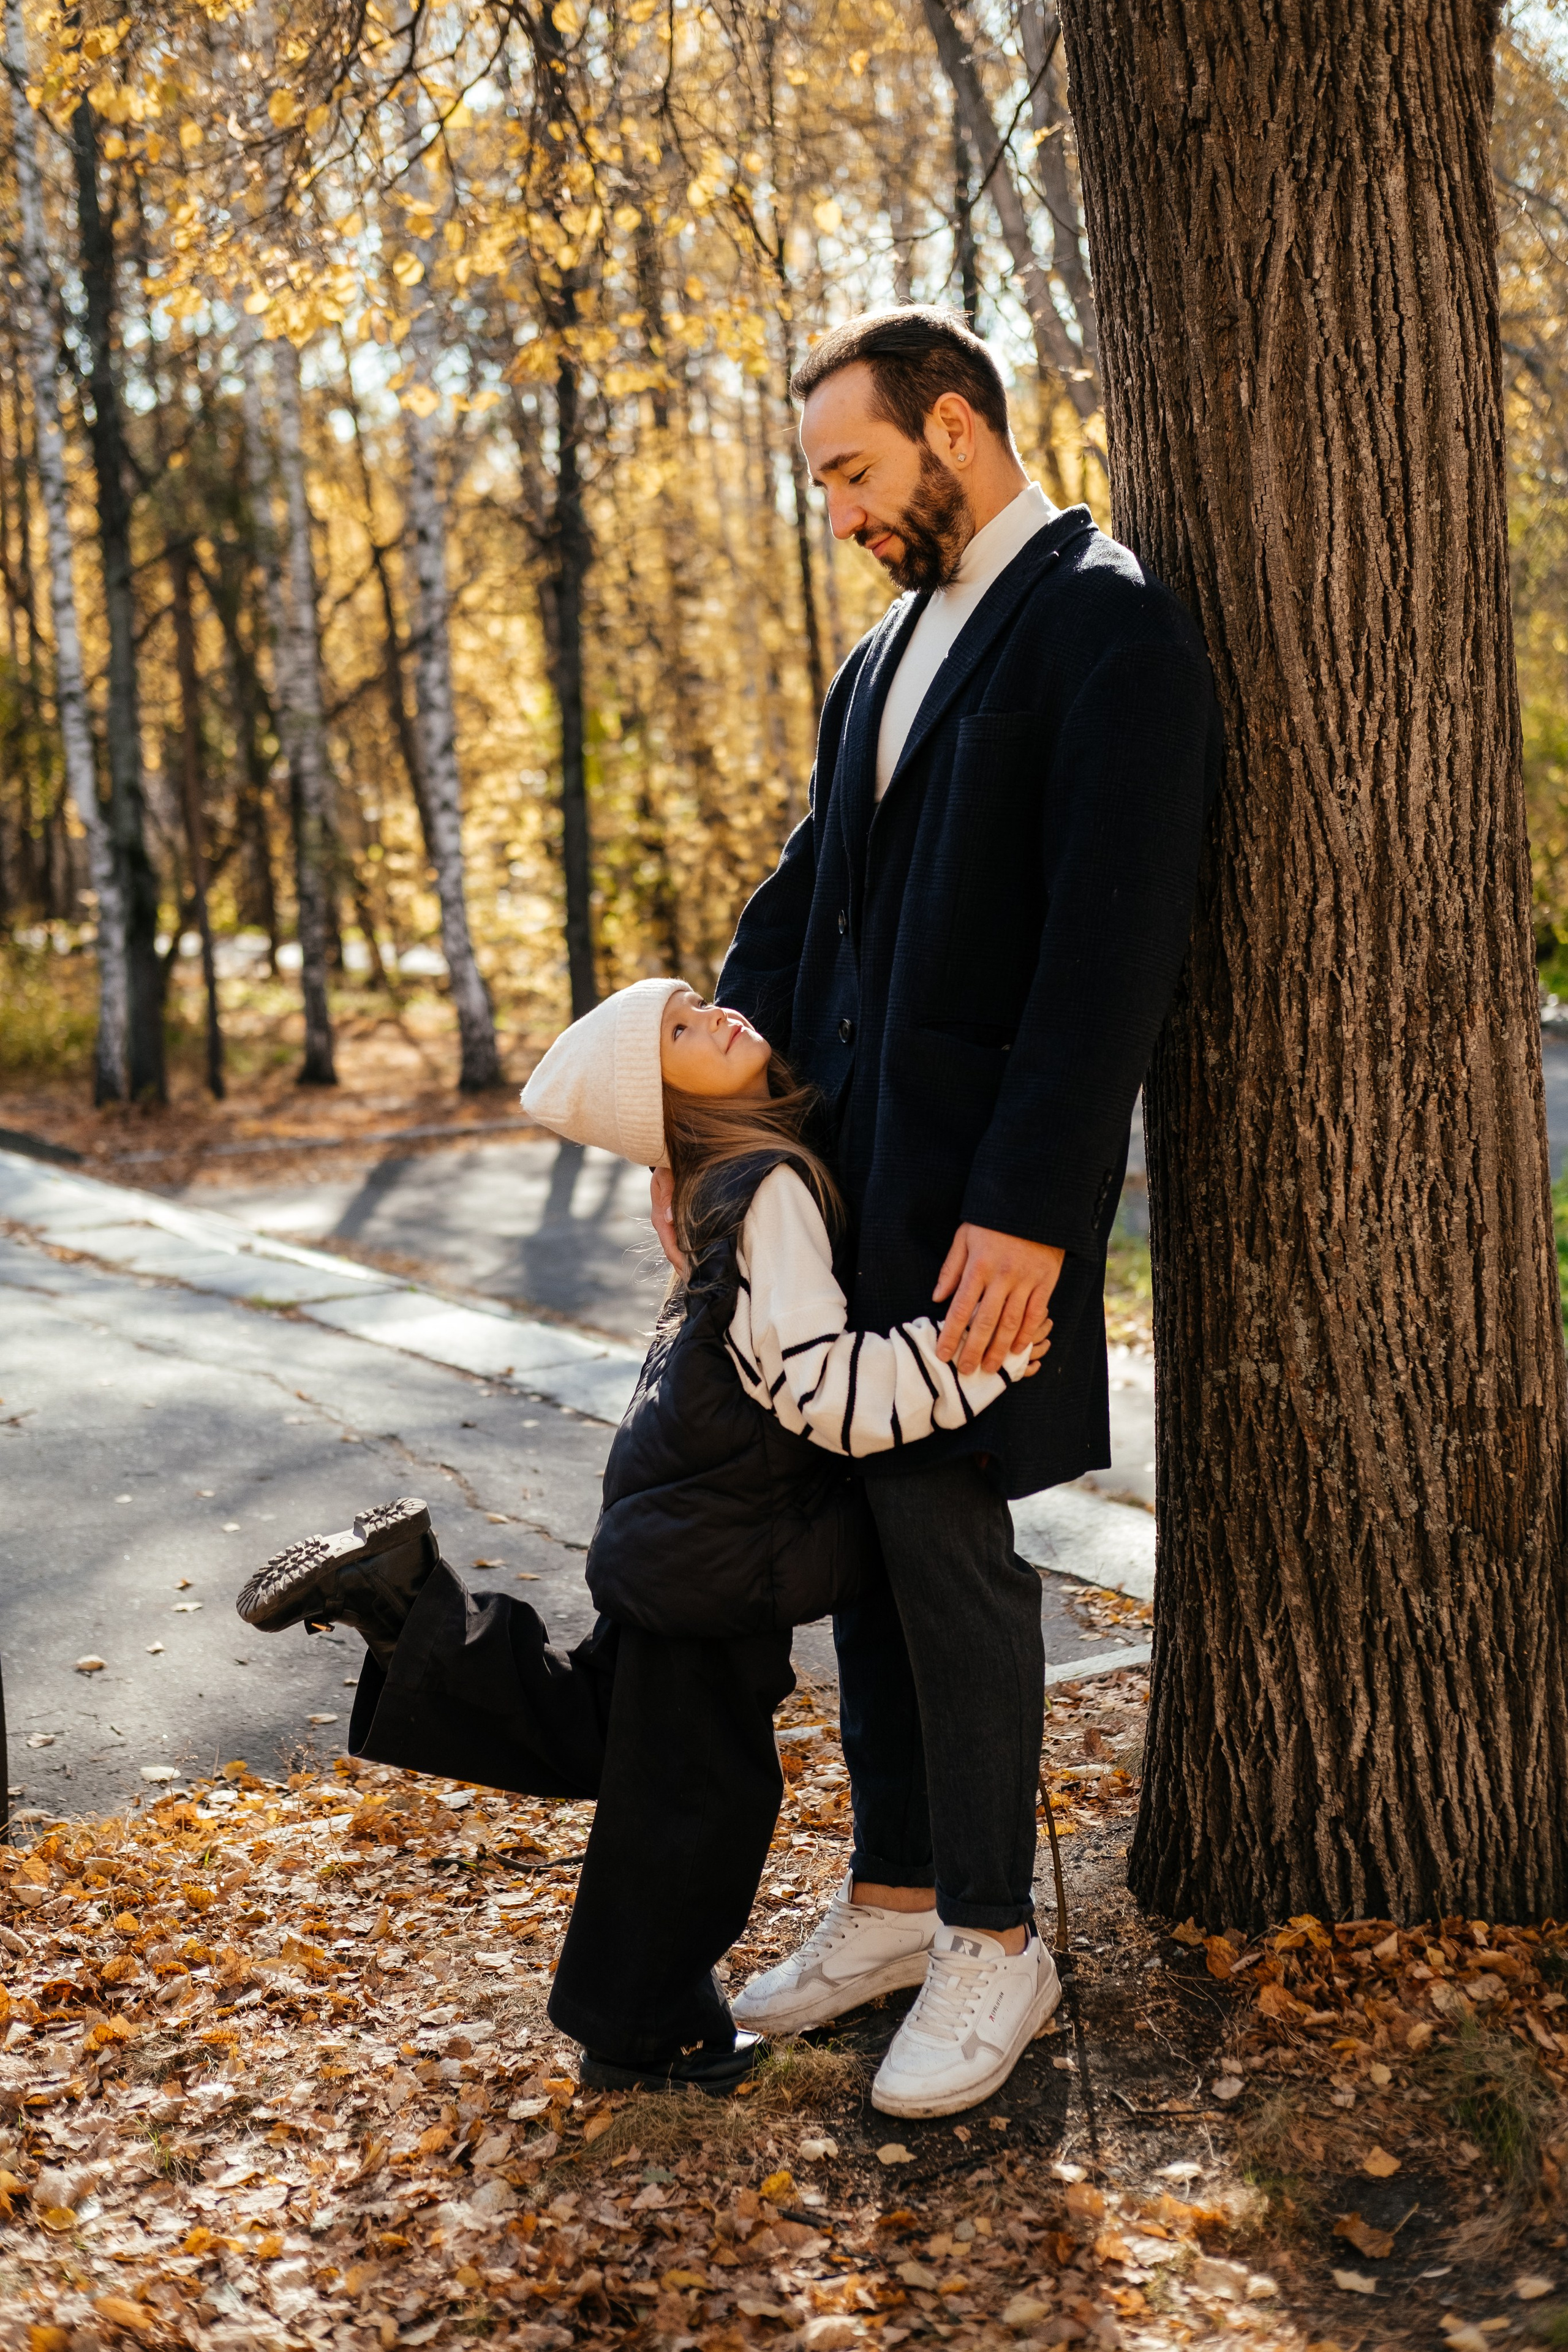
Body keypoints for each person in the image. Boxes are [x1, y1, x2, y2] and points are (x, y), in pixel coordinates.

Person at [711, 307, 1220, 2115]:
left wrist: (1035, 1218)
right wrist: (711, 1064)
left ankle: (1001, 1940)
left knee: (949, 1556)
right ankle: (902, 1903)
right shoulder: (880, 657)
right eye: (825, 482)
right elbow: (802, 908)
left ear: (953, 427)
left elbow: (1111, 954)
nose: (840, 509)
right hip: (852, 1203)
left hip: (980, 1228)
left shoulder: (1106, 625)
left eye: (854, 469)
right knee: (866, 1557)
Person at [235, 976, 1049, 2101]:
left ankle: (405, 1605)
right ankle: (647, 2034)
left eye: (697, 1001)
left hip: (683, 1532)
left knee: (605, 1737)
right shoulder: (766, 1191)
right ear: (663, 1108)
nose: (713, 1015)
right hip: (715, 1553)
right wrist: (978, 1362)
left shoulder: (726, 1185)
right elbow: (821, 1391)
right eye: (677, 1034)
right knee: (696, 1810)